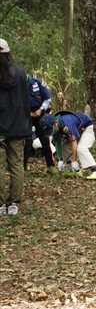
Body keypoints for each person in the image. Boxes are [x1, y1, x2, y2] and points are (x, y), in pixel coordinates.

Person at [0, 38, 31, 215]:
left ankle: (1, 204)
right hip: (18, 126)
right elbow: (26, 101)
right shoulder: (21, 74)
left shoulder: (19, 73)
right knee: (16, 165)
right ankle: (13, 203)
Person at [39, 112, 96, 180]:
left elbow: (74, 143)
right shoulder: (56, 126)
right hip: (79, 130)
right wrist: (60, 160)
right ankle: (71, 169)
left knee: (81, 148)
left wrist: (74, 161)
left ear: (56, 123)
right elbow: (57, 143)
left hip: (89, 127)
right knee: (65, 147)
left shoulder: (67, 123)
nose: (52, 131)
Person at [24, 74, 56, 174]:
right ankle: (22, 167)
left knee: (45, 140)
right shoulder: (19, 84)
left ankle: (51, 166)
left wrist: (41, 109)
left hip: (40, 113)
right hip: (26, 113)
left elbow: (47, 98)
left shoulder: (37, 82)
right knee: (26, 140)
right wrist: (26, 112)